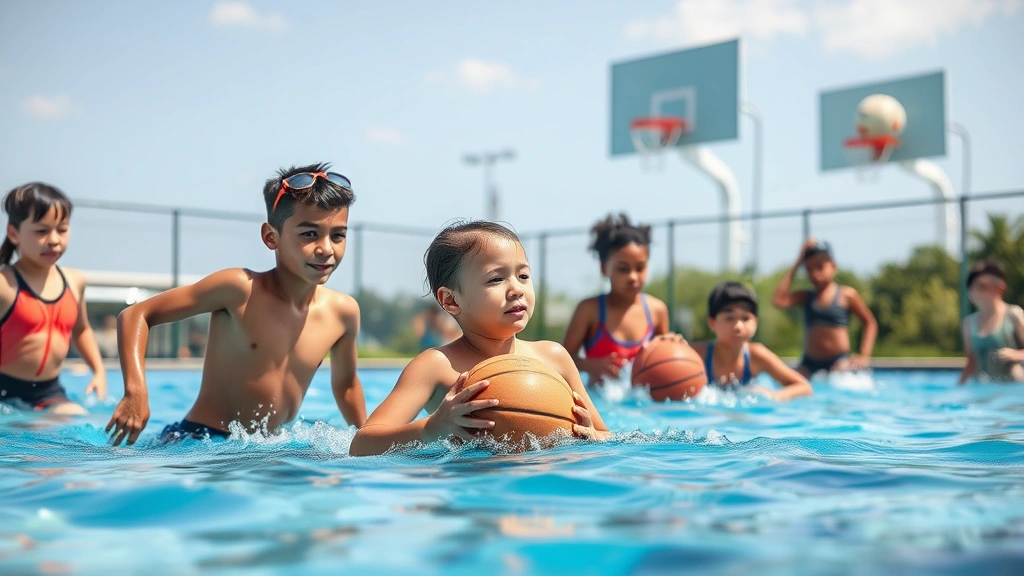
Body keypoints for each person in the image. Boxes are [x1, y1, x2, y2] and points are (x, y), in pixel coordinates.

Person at [105, 163, 367, 444]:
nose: (326, 248)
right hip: (199, 442)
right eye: (309, 234)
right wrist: (136, 393)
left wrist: (368, 438)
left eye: (338, 235)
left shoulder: (343, 312)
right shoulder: (239, 289)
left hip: (270, 447)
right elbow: (136, 314)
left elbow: (346, 386)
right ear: (271, 237)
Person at [349, 221, 610, 456]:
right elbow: (362, 445)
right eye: (496, 279)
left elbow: (606, 435)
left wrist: (590, 436)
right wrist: (431, 428)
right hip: (470, 491)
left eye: (523, 276)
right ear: (451, 300)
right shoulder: (436, 366)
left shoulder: (554, 358)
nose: (517, 289)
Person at [0, 182, 107, 413]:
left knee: (77, 421)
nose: (54, 239)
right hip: (3, 391)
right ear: (13, 233)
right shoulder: (4, 284)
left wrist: (99, 371)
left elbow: (82, 330)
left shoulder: (74, 282)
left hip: (49, 393)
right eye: (41, 231)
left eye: (62, 229)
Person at [562, 214, 675, 386]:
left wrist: (676, 346)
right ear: (604, 268)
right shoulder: (589, 310)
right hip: (601, 400)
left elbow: (668, 361)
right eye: (623, 269)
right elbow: (563, 360)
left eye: (640, 268)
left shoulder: (656, 310)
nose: (632, 276)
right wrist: (591, 365)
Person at [688, 282, 812, 401]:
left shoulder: (756, 355)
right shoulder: (696, 355)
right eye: (729, 318)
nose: (738, 326)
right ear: (712, 322)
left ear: (756, 323)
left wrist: (774, 396)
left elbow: (804, 387)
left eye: (745, 318)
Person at [772, 238, 877, 377]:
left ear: (833, 267)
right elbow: (778, 300)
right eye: (809, 269)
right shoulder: (806, 297)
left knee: (843, 376)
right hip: (809, 363)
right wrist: (798, 261)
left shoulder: (846, 295)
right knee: (790, 379)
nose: (815, 273)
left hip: (839, 361)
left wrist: (864, 355)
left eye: (820, 267)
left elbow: (870, 322)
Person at [959, 261, 1024, 383]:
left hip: (1013, 389)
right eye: (971, 286)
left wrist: (1017, 355)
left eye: (982, 286)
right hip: (981, 390)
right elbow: (971, 364)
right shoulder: (968, 323)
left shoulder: (1014, 315)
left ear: (1000, 288)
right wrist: (957, 389)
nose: (975, 291)